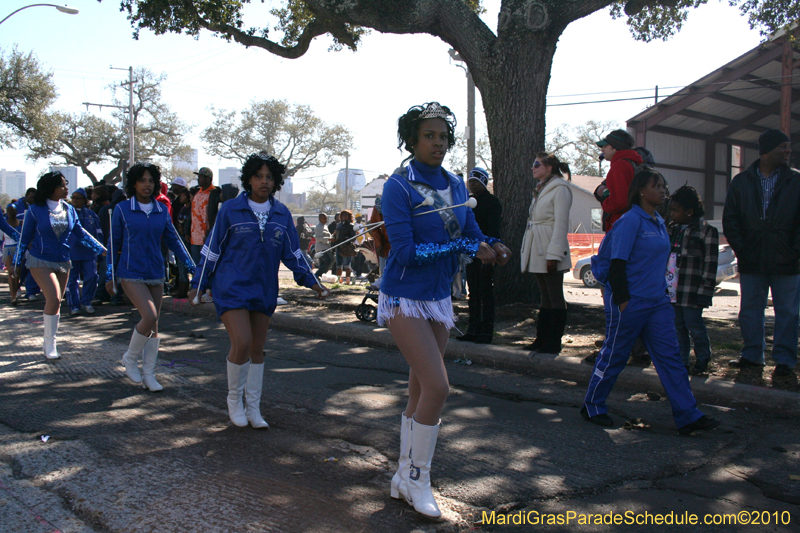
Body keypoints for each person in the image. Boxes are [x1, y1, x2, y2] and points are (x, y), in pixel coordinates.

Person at [379, 102, 511, 518]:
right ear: (412, 140)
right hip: (403, 294)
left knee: (419, 388)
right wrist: (464, 247)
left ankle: (403, 476)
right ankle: (420, 478)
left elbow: (472, 233)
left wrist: (493, 245)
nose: (438, 143)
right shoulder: (398, 186)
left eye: (443, 136)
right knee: (438, 387)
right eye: (429, 136)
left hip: (438, 297)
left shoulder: (456, 185)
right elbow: (403, 252)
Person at [188, 152, 328, 428]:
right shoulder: (230, 209)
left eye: (269, 177)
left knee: (257, 348)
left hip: (264, 289)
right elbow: (212, 250)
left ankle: (253, 408)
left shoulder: (281, 213)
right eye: (258, 176)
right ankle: (234, 401)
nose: (264, 181)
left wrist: (312, 281)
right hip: (231, 287)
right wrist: (198, 284)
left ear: (276, 182)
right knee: (241, 341)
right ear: (248, 179)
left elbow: (293, 252)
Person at [581, 168, 720, 435]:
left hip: (657, 303)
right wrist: (622, 300)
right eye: (657, 186)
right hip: (629, 302)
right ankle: (592, 405)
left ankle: (688, 415)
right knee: (615, 355)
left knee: (670, 359)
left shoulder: (658, 221)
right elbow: (617, 263)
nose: (662, 191)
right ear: (642, 191)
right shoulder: (630, 221)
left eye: (663, 186)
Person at [106, 163, 195, 391]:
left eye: (151, 181)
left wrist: (190, 264)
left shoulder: (160, 209)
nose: (147, 185)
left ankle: (149, 374)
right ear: (134, 183)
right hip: (130, 271)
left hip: (156, 272)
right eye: (142, 180)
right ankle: (129, 357)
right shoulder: (123, 209)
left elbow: (173, 239)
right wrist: (109, 274)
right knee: (149, 315)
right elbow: (113, 242)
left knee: (155, 325)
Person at [723, 129, 800, 377]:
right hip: (752, 259)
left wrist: (795, 252)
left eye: (788, 147)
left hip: (787, 261)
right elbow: (731, 220)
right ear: (766, 151)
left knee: (787, 312)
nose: (788, 151)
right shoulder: (742, 181)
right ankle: (752, 356)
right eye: (783, 147)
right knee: (750, 310)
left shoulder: (796, 181)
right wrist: (743, 250)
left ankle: (785, 360)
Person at [13, 171, 106, 359]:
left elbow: (80, 232)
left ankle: (50, 339)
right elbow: (25, 238)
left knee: (56, 302)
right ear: (51, 188)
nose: (66, 189)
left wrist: (101, 249)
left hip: (64, 260)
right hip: (40, 259)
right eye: (62, 185)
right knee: (54, 297)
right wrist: (16, 262)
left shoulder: (69, 209)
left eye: (66, 184)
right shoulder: (35, 210)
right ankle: (50, 344)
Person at [519, 153, 573, 354]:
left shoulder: (560, 188)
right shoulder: (541, 189)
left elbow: (561, 224)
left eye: (537, 164)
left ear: (549, 167)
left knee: (555, 295)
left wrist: (554, 254)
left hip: (549, 246)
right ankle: (542, 338)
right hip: (537, 245)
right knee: (545, 296)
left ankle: (553, 341)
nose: (533, 168)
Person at [667, 186, 719, 374]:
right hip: (673, 291)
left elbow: (710, 264)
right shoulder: (672, 231)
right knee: (677, 327)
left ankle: (703, 359)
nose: (671, 214)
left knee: (694, 326)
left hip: (692, 293)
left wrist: (705, 291)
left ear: (689, 212)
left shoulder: (706, 232)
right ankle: (682, 362)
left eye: (675, 211)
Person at [457, 167, 502, 344]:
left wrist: (490, 250)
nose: (472, 185)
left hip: (486, 253)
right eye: (470, 181)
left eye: (476, 181)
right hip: (470, 253)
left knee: (485, 292)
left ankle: (486, 331)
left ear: (483, 182)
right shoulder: (468, 202)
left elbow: (493, 230)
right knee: (473, 292)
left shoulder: (493, 202)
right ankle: (472, 329)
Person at [593, 129, 643, 232]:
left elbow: (619, 202)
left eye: (605, 146)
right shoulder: (634, 164)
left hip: (621, 224)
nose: (602, 150)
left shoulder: (620, 166)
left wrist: (604, 198)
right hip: (636, 221)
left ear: (614, 147)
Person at [66, 188, 103, 315]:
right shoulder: (67, 214)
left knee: (92, 277)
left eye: (78, 198)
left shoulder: (91, 214)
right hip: (71, 252)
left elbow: (98, 233)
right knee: (72, 280)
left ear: (84, 200)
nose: (75, 200)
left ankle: (86, 301)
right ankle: (74, 305)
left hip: (89, 253)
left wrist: (100, 250)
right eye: (73, 197)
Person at [188, 167, 220, 266]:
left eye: (201, 177)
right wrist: (186, 230)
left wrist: (210, 232)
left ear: (208, 179)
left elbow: (216, 215)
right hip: (194, 238)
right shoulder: (197, 193)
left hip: (207, 237)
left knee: (206, 267)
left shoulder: (215, 193)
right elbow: (192, 212)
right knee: (196, 266)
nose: (198, 179)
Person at [14, 187, 41, 301]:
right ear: (26, 196)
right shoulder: (16, 207)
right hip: (19, 242)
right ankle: (16, 289)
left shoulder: (38, 208)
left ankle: (31, 291)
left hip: (33, 244)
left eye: (35, 198)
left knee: (32, 267)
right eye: (31, 198)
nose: (33, 200)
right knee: (20, 268)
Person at [1, 204, 21, 305]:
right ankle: (13, 296)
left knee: (17, 273)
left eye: (13, 210)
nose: (11, 212)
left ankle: (17, 292)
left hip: (18, 249)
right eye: (9, 210)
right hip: (8, 249)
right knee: (10, 272)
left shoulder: (20, 223)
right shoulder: (4, 223)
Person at [369, 194, 390, 277]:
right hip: (384, 244)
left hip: (399, 243)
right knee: (384, 271)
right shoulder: (377, 207)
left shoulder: (399, 204)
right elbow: (375, 228)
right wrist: (379, 245)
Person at [333, 209, 356, 284]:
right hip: (338, 247)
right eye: (342, 215)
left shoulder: (351, 225)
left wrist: (346, 240)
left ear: (349, 216)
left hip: (347, 247)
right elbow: (336, 235)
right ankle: (339, 281)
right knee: (338, 265)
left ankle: (348, 281)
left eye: (345, 215)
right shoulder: (339, 225)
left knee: (347, 265)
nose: (343, 216)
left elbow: (353, 237)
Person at [313, 213, 334, 279]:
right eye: (323, 218)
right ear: (319, 219)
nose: (325, 220)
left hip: (325, 247)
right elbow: (318, 238)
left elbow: (327, 236)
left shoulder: (324, 226)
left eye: (326, 218)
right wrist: (329, 239)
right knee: (330, 260)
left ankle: (319, 277)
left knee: (322, 263)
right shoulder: (319, 227)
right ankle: (317, 274)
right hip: (322, 248)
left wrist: (333, 235)